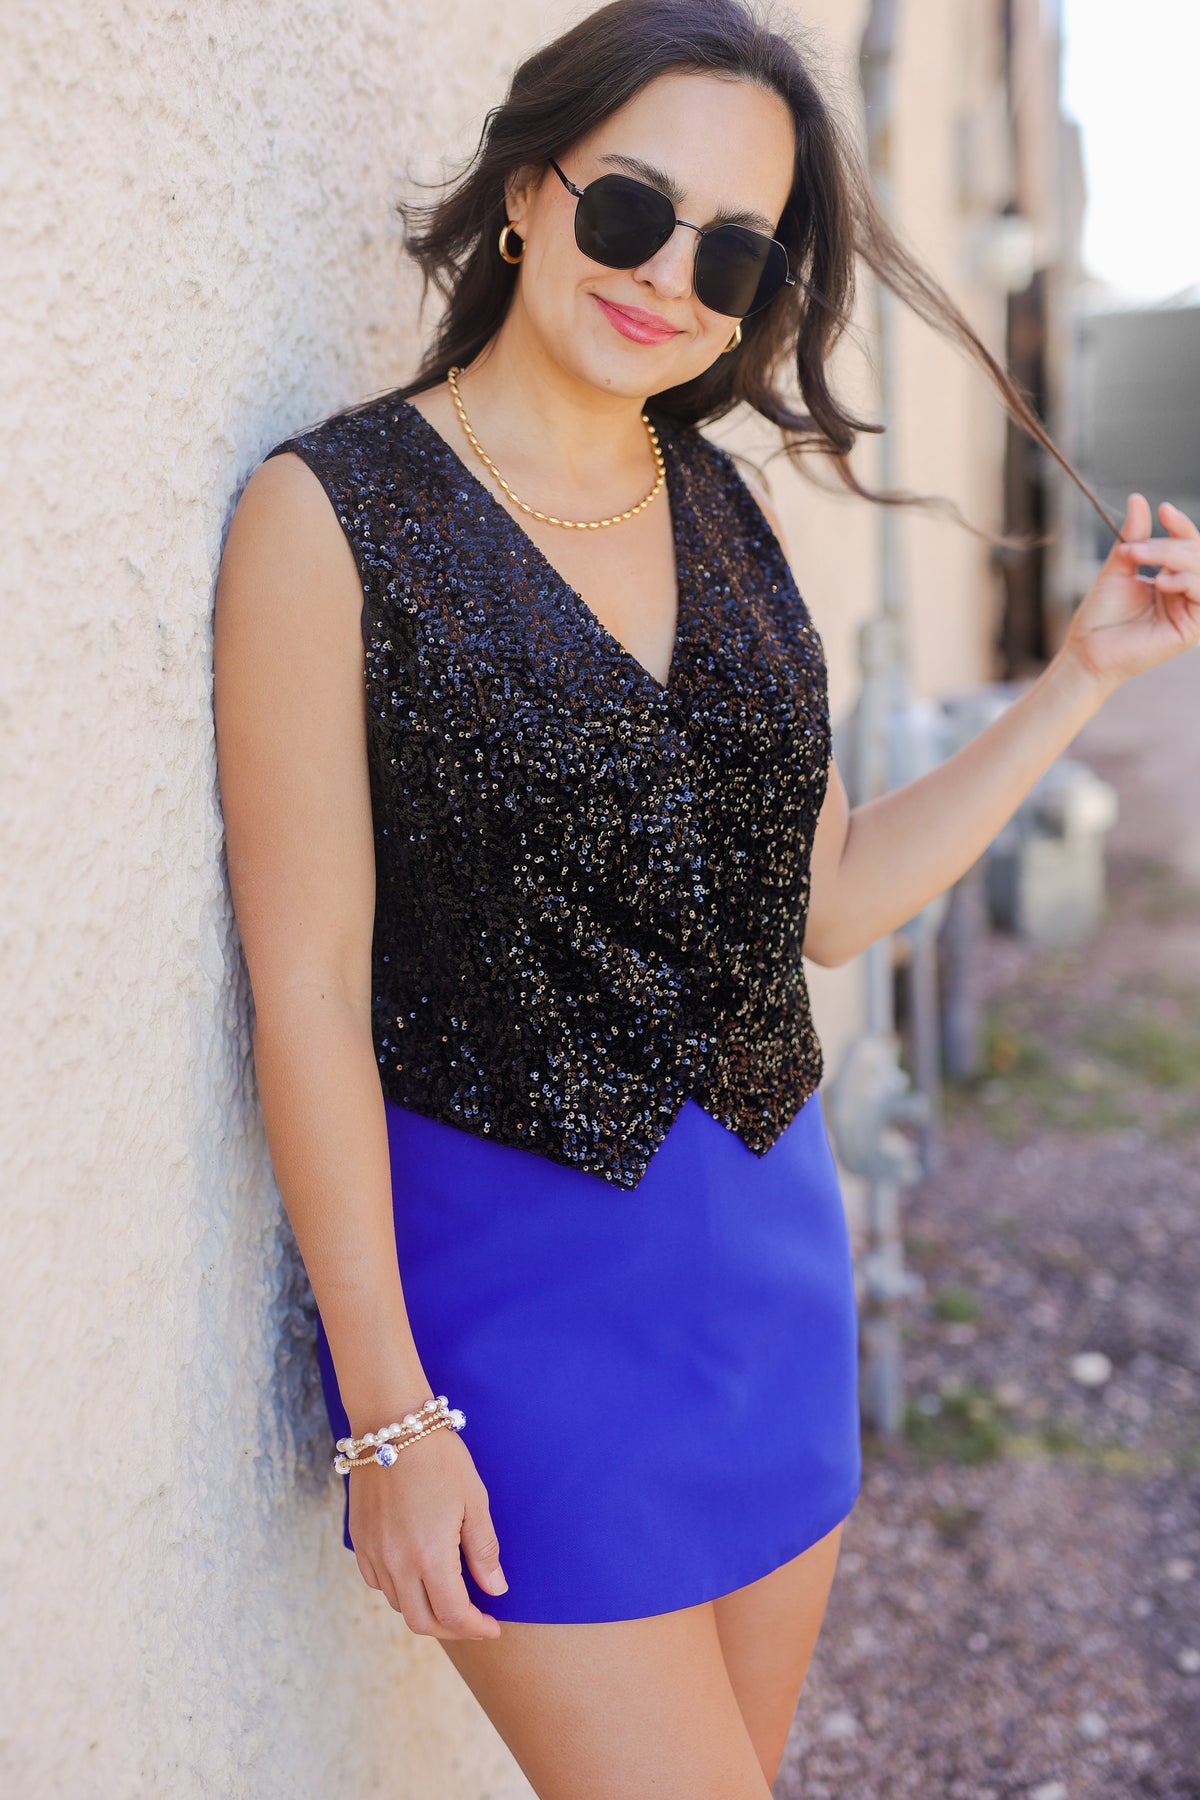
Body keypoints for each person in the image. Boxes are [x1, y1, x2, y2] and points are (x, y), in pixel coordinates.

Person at [212, 2, 1200, 1793]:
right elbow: (308, 981)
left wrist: (1077, 683)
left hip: (770, 1277)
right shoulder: (332, 516)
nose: (672, 276)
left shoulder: (725, 511)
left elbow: (822, 903)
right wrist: (389, 1410)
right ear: (529, 192)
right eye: (631, 214)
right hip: (510, 1314)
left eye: (733, 252)